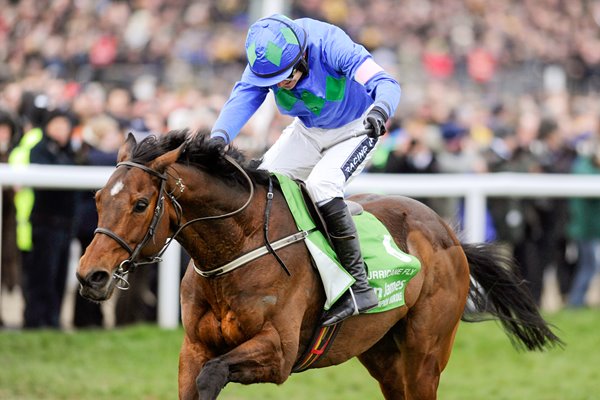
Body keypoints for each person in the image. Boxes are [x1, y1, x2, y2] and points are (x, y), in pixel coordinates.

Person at [208, 14, 401, 326]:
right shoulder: (265, 58)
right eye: (274, 81)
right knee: (264, 188)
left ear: (303, 56)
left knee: (321, 186)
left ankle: (359, 287)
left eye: (285, 76)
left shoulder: (331, 45)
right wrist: (218, 139)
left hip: (358, 126)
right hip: (309, 130)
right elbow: (242, 98)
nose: (280, 85)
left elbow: (387, 84)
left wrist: (380, 110)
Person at [20, 110, 78, 328]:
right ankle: (36, 321)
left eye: (65, 125)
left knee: (59, 279)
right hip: (45, 225)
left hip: (64, 226)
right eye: (58, 125)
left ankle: (53, 321)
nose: (62, 130)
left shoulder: (69, 152)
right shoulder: (40, 149)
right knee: (41, 278)